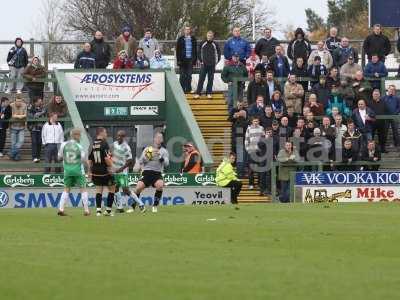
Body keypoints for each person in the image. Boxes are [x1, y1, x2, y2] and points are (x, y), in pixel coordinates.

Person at [126, 132, 169, 213]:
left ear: (162, 140)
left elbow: (167, 163)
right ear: (154, 139)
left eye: (161, 138)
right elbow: (141, 161)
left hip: (157, 173)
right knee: (138, 188)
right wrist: (148, 157)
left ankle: (155, 206)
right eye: (157, 138)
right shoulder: (147, 149)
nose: (159, 139)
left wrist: (160, 157)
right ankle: (132, 207)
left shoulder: (164, 151)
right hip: (147, 172)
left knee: (160, 185)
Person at [57, 128, 90, 216]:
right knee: (83, 189)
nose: (80, 137)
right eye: (79, 135)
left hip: (67, 170)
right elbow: (83, 160)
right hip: (78, 170)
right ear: (76, 135)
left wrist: (65, 158)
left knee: (66, 189)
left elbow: (59, 157)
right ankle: (86, 210)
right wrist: (89, 170)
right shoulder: (79, 146)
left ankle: (61, 209)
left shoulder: (63, 145)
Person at [111, 130, 145, 214]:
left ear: (124, 137)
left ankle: (141, 204)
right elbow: (111, 154)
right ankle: (120, 207)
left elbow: (130, 161)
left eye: (121, 136)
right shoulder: (114, 144)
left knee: (125, 190)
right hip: (115, 171)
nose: (119, 137)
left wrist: (121, 169)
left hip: (122, 173)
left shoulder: (126, 147)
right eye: (118, 136)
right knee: (115, 188)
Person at [88, 127, 116, 217]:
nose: (106, 134)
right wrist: (112, 167)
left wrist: (90, 171)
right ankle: (108, 210)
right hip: (105, 171)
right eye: (105, 132)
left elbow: (89, 160)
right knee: (112, 189)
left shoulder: (93, 144)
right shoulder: (104, 143)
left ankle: (98, 211)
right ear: (101, 133)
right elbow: (106, 159)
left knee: (98, 190)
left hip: (95, 171)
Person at [194, 31, 221, 99]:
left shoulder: (215, 44)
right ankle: (198, 93)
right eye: (208, 36)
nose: (209, 37)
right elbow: (199, 52)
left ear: (213, 36)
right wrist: (201, 61)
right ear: (206, 36)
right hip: (204, 64)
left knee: (210, 79)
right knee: (201, 79)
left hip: (212, 65)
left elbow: (219, 53)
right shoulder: (202, 43)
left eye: (211, 36)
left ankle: (208, 93)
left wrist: (216, 62)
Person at [228, 101, 248, 177]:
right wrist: (234, 116)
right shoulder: (234, 112)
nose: (240, 106)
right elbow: (229, 119)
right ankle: (238, 172)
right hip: (238, 139)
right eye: (239, 105)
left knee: (241, 157)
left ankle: (240, 171)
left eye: (241, 105)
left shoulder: (245, 120)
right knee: (239, 156)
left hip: (240, 140)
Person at [245, 116, 264, 189]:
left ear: (258, 121)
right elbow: (246, 140)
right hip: (252, 152)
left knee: (259, 169)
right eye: (254, 121)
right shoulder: (249, 129)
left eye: (257, 121)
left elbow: (263, 139)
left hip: (259, 152)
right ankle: (251, 184)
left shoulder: (261, 128)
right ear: (252, 122)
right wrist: (248, 149)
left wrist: (261, 149)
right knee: (251, 169)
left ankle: (259, 184)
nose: (256, 122)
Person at [28, 98, 46, 163]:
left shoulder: (43, 108)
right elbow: (32, 116)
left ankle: (38, 156)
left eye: (41, 101)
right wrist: (41, 113)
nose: (41, 103)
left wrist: (40, 113)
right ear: (35, 102)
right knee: (34, 142)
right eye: (39, 101)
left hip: (41, 128)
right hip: (33, 128)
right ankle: (34, 157)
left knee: (39, 142)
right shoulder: (30, 108)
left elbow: (45, 117)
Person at [9, 95, 27, 161]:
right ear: (15, 101)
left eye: (20, 101)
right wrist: (20, 116)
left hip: (21, 127)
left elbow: (25, 115)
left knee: (21, 141)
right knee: (13, 143)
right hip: (13, 126)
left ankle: (11, 153)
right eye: (17, 101)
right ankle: (16, 157)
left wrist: (16, 116)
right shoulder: (11, 105)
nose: (19, 102)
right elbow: (11, 115)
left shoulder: (24, 105)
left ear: (22, 101)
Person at [382, 85, 400, 149]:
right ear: (388, 90)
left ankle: (397, 144)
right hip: (386, 117)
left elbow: (399, 107)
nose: (391, 91)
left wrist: (395, 113)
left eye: (393, 90)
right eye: (390, 89)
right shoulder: (383, 98)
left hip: (394, 117)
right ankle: (383, 145)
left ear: (394, 91)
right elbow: (382, 107)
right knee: (385, 131)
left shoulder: (397, 98)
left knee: (395, 130)